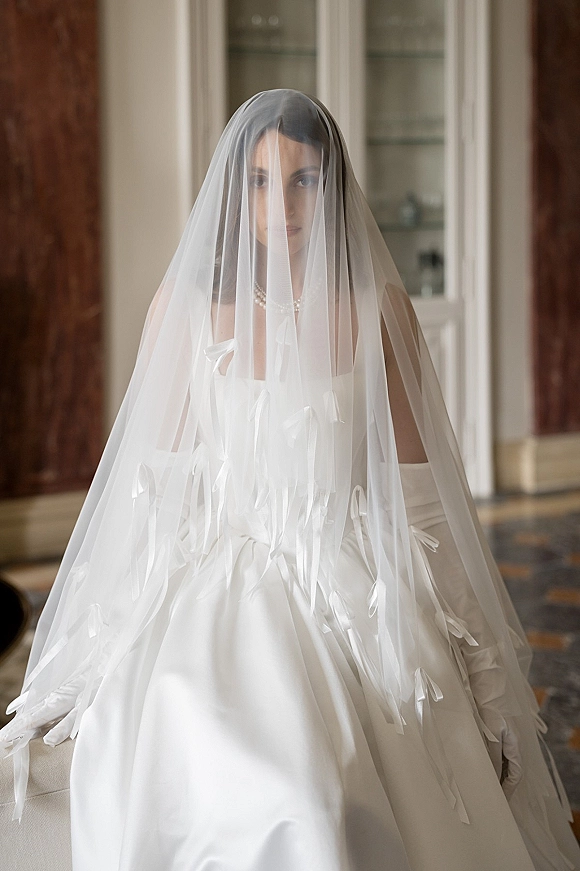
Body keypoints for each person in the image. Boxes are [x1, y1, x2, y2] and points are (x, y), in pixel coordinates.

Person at [1, 89, 578, 871]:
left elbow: (419, 504)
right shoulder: (186, 309)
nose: (284, 203)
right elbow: (152, 498)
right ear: (234, 191)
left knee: (326, 788)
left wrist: (481, 678)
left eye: (304, 179)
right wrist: (79, 666)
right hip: (217, 591)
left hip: (353, 594)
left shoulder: (379, 312)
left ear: (334, 186)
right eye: (262, 180)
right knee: (225, 764)